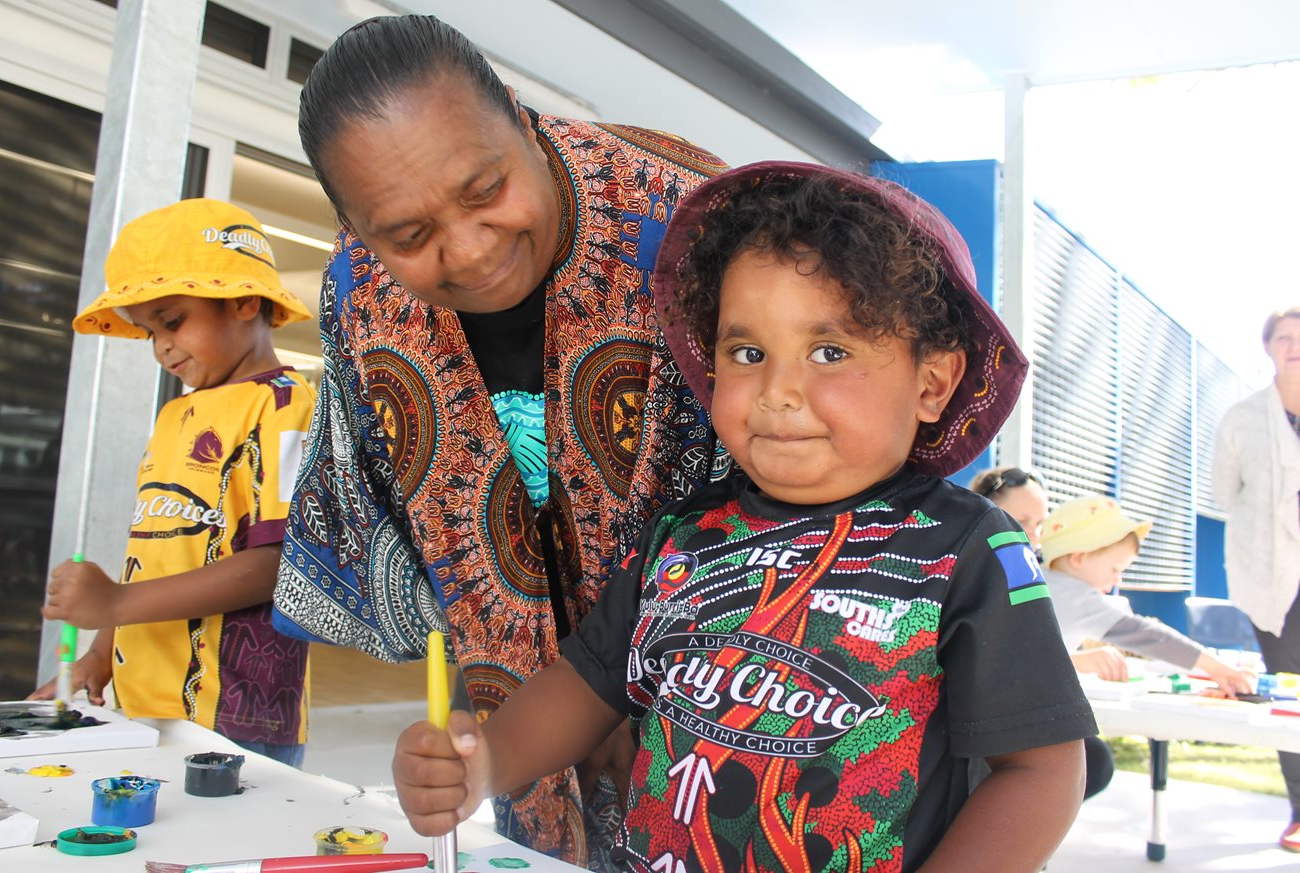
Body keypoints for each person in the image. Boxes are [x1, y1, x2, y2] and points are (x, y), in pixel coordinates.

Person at [392, 162, 1098, 873]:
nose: (777, 392)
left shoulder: (968, 550)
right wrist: (480, 766)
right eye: (748, 351)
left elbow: (1043, 769)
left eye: (830, 351)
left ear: (933, 381)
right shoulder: (683, 536)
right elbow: (585, 683)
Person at [269, 14, 729, 865]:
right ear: (358, 231)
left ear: (518, 115)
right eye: (407, 237)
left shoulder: (699, 218)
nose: (471, 250)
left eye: (485, 190)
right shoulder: (358, 299)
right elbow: (374, 509)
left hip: (728, 720)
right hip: (519, 740)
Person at [29, 198, 315, 766]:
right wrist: (101, 652)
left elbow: (281, 562)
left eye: (173, 321)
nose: (160, 347)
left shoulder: (288, 407)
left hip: (233, 713)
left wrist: (114, 600)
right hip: (144, 702)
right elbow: (152, 558)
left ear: (243, 301)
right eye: (147, 331)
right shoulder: (173, 417)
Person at [969, 466, 1117, 798]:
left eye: (1041, 524)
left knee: (1091, 758)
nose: (1034, 535)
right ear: (983, 510)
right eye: (1023, 522)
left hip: (1004, 718)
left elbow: (1025, 651)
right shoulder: (974, 569)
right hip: (969, 729)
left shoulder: (1025, 569)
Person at [1213, 306, 1300, 851]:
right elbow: (1225, 494)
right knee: (1292, 694)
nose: (1294, 345)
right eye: (1284, 337)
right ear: (1268, 348)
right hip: (1271, 580)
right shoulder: (1242, 419)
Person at [1040, 496, 1253, 699]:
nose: (1118, 580)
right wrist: (1215, 667)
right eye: (1115, 568)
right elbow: (1149, 636)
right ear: (1079, 558)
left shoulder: (1040, 581)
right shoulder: (1078, 598)